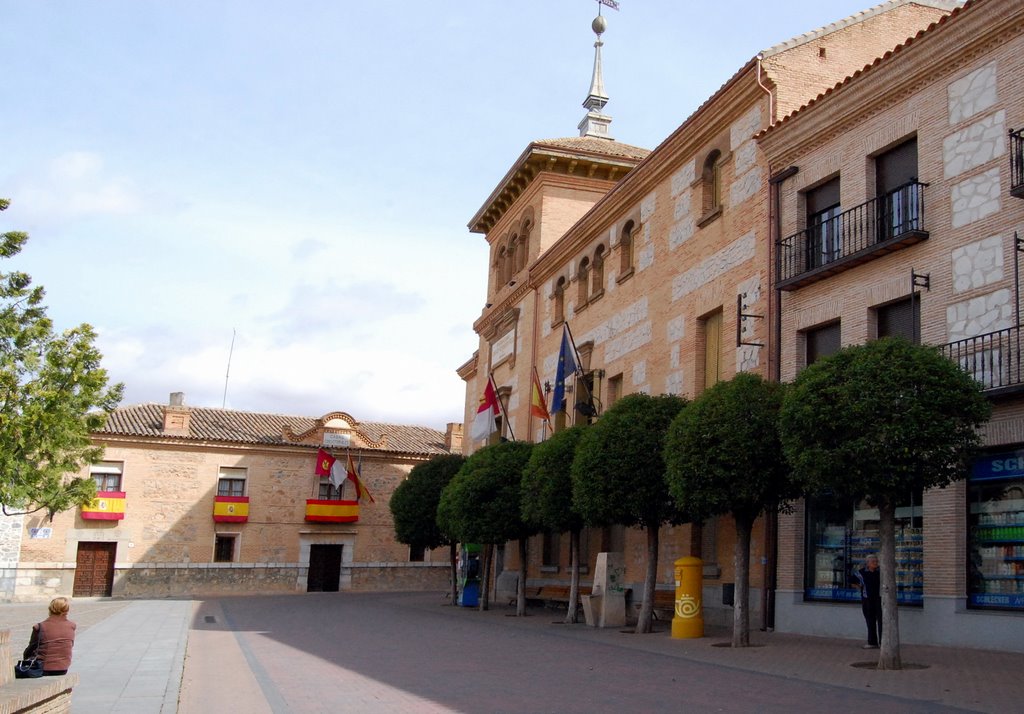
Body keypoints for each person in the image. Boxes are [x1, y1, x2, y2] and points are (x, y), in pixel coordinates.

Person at [23, 596, 77, 675]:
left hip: (43, 667)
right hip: (63, 666)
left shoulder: (40, 627)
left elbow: (31, 647)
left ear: (50, 609)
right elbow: (69, 645)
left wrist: (25, 658)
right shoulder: (71, 626)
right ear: (67, 610)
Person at [853, 554, 882, 649]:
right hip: (867, 599)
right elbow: (853, 581)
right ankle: (872, 642)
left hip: (879, 598)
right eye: (873, 562)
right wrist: (860, 588)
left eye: (876, 561)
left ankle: (883, 642)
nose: (875, 563)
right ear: (868, 563)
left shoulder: (880, 572)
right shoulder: (861, 572)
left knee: (881, 620)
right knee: (870, 620)